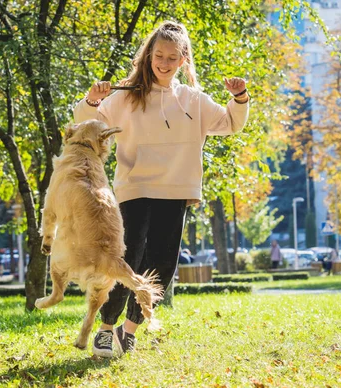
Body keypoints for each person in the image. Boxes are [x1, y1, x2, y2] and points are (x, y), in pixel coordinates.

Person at [73, 21, 250, 357]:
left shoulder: (193, 100)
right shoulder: (125, 96)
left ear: (183, 60)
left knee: (162, 263)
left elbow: (230, 123)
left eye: (172, 57)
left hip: (177, 190)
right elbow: (87, 124)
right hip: (135, 187)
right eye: (159, 55)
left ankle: (130, 330)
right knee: (127, 258)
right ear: (148, 56)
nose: (164, 62)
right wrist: (92, 101)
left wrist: (239, 97)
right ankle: (106, 328)